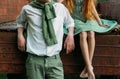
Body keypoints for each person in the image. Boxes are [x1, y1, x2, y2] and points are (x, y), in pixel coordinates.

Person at [55, 0, 118, 79]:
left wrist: (99, 23)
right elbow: (59, 2)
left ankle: (88, 67)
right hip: (75, 19)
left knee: (91, 33)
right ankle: (89, 67)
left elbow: (92, 8)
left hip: (87, 17)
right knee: (83, 33)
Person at [16, 0, 75, 79]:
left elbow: (70, 22)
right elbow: (20, 22)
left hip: (54, 59)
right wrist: (20, 35)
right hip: (34, 60)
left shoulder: (60, 8)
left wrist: (70, 35)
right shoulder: (27, 9)